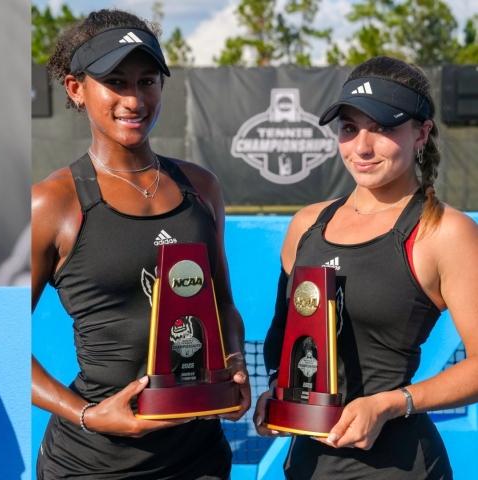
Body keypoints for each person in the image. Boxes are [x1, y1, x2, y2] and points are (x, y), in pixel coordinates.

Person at [32, 9, 251, 479]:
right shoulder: (52, 203)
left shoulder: (202, 188)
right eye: (115, 82)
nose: (133, 100)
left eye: (146, 82)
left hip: (199, 458)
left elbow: (223, 305)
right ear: (76, 88)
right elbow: (6, 341)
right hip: (92, 464)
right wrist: (87, 414)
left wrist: (235, 363)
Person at [253, 56, 478, 479]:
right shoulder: (307, 224)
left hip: (400, 467)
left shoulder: (444, 232)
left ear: (421, 133)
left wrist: (391, 403)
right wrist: (276, 392)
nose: (362, 147)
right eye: (350, 128)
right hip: (307, 466)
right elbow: (283, 336)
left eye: (383, 128)